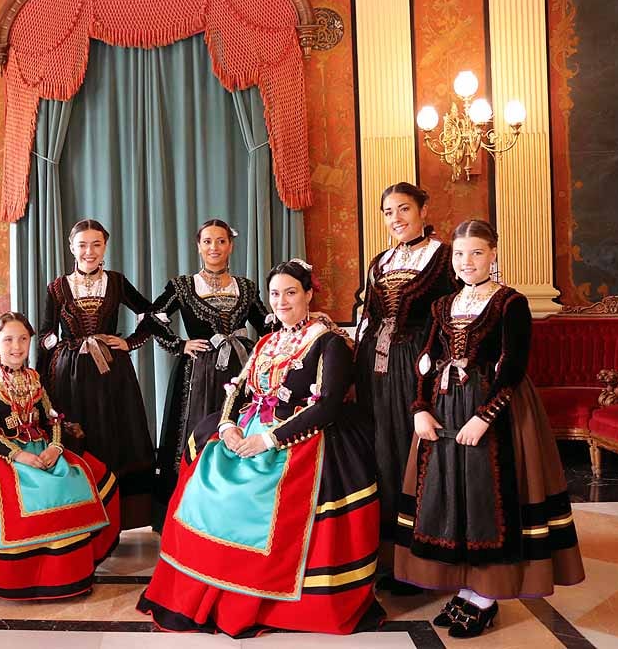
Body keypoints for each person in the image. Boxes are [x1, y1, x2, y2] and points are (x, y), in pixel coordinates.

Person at [137, 259, 383, 636]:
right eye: (274, 294)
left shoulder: (329, 342)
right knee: (203, 475)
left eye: (290, 293)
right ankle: (204, 590)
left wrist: (269, 439)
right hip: (250, 429)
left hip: (301, 436)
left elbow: (328, 405)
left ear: (308, 295)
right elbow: (238, 390)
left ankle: (256, 595)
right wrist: (227, 426)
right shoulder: (267, 341)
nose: (281, 302)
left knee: (246, 499)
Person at [395, 220, 585, 638]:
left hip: (495, 411)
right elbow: (426, 360)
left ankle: (487, 595)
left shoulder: (510, 302)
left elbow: (514, 365)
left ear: (494, 254)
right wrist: (420, 409)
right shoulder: (441, 305)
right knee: (452, 498)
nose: (467, 262)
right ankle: (466, 588)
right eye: (461, 254)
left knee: (487, 497)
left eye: (477, 253)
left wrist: (483, 417)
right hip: (444, 410)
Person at [0, 312, 120, 600]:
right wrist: (18, 455)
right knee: (42, 491)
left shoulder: (34, 377)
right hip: (2, 453)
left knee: (91, 476)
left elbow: (52, 418)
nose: (16, 347)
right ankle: (4, 578)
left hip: (43, 448)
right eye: (8, 340)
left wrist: (55, 447)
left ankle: (68, 573)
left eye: (23, 339)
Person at [354, 182, 455, 593]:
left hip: (418, 366)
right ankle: (384, 555)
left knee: (411, 454)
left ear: (422, 208)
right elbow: (365, 314)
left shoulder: (445, 257)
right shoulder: (380, 261)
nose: (395, 218)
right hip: (373, 370)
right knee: (379, 454)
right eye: (388, 212)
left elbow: (452, 315)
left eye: (403, 209)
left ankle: (419, 559)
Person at [144, 219, 268, 529]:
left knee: (239, 431)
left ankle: (233, 510)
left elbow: (266, 322)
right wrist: (180, 344)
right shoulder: (182, 286)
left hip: (240, 371)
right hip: (196, 373)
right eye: (208, 241)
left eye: (221, 241)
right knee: (192, 433)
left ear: (231, 246)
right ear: (199, 246)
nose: (215, 247)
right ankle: (187, 513)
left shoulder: (247, 286)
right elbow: (154, 318)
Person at [38, 219, 154, 529]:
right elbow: (46, 332)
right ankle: (79, 516)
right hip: (71, 376)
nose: (89, 251)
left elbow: (150, 314)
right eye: (83, 245)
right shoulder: (58, 286)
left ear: (105, 247)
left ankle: (116, 517)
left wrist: (128, 342)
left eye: (96, 244)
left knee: (113, 436)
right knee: (79, 438)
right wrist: (64, 350)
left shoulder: (116, 282)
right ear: (71, 247)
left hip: (112, 375)